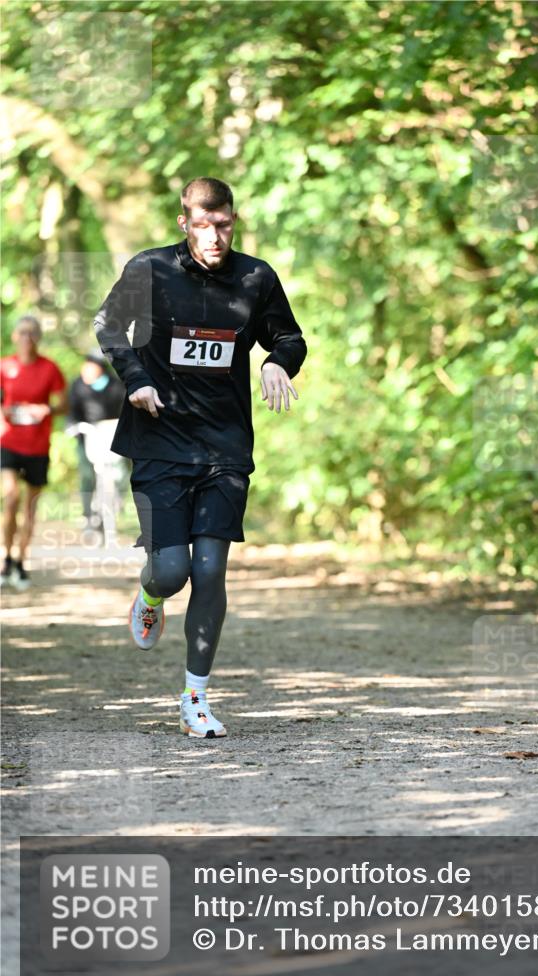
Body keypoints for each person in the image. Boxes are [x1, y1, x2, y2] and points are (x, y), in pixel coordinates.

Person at [94, 177, 307, 738]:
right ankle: (148, 593)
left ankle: (195, 698)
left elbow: (289, 337)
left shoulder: (255, 277)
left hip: (225, 447)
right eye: (204, 224)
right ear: (184, 221)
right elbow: (109, 326)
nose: (216, 235)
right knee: (173, 569)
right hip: (160, 438)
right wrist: (136, 379)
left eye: (225, 224)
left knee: (210, 572)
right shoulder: (150, 269)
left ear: (234, 221)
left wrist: (277, 361)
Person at [0, 315, 67, 590]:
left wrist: (46, 409)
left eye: (32, 333)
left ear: (38, 337)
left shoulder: (50, 369)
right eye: (22, 332)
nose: (27, 337)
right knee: (11, 496)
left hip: (38, 446)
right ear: (15, 336)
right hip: (9, 441)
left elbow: (63, 405)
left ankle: (20, 561)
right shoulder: (4, 366)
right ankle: (5, 557)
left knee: (30, 507)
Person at [67, 350, 127, 541]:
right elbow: (72, 412)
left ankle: (115, 505)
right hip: (87, 437)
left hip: (111, 437)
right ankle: (87, 514)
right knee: (87, 474)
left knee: (121, 473)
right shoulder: (78, 386)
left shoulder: (116, 387)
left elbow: (125, 412)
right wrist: (72, 426)